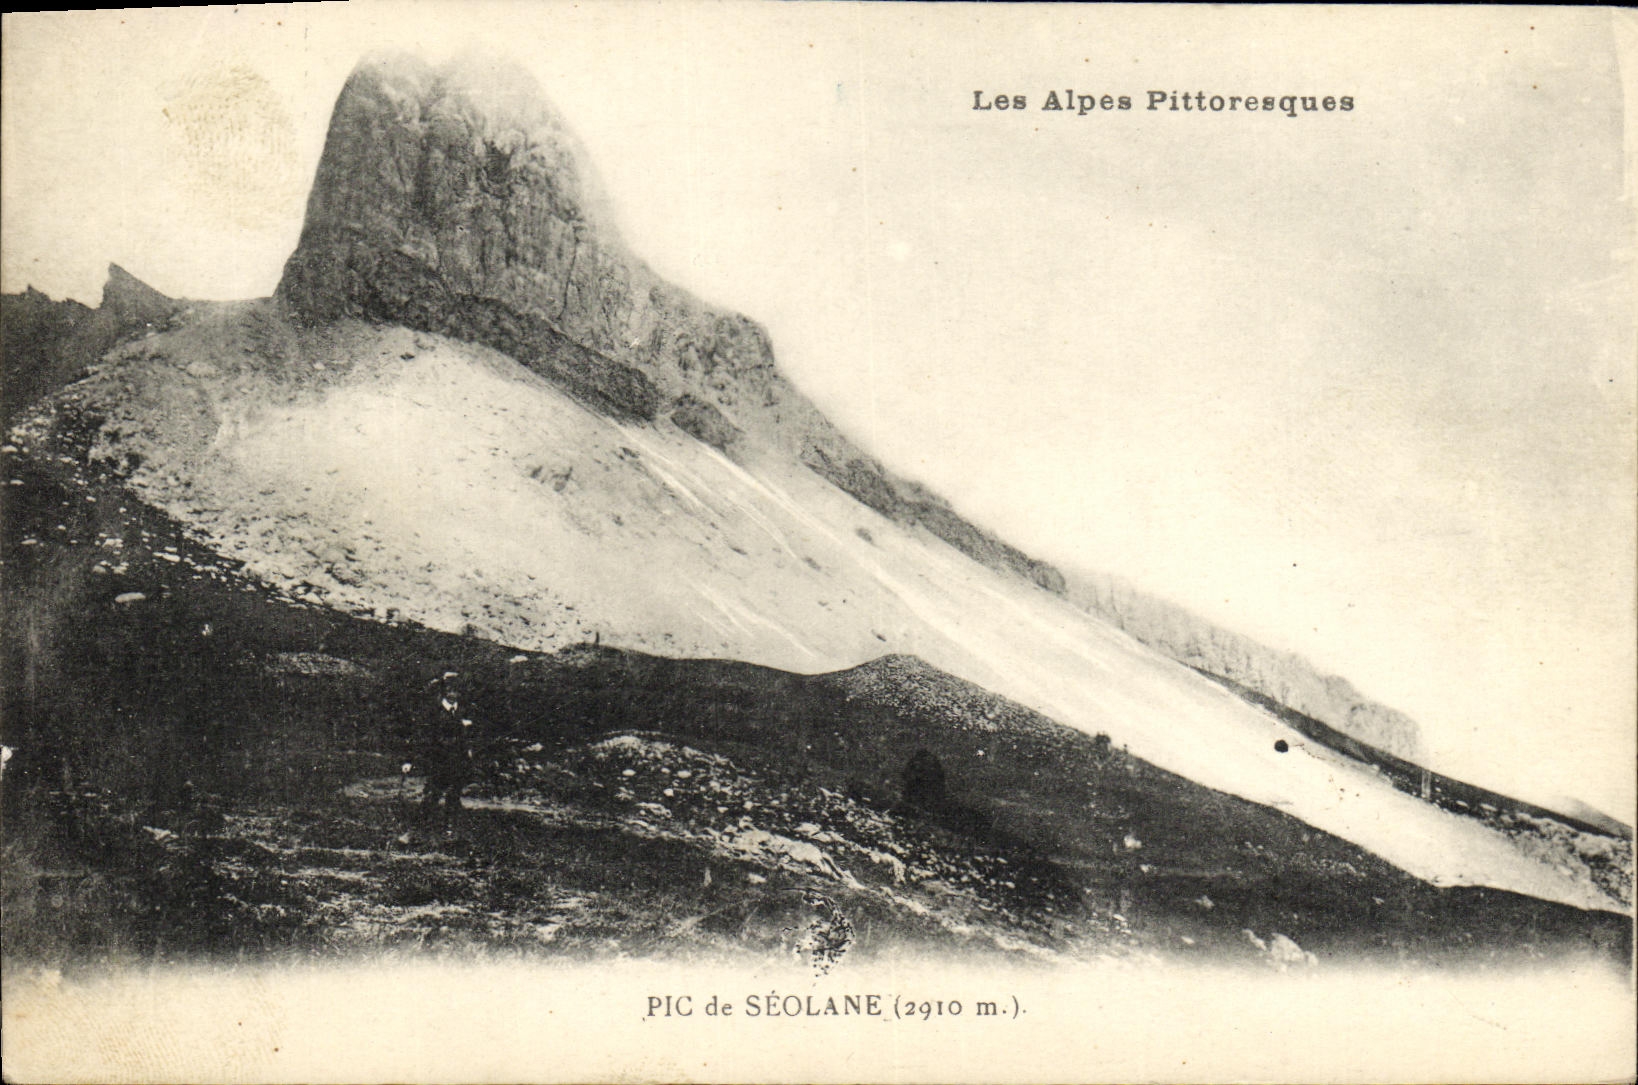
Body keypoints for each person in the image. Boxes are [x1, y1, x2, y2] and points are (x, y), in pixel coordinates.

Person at [415, 671, 475, 825]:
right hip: (439, 757)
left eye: (456, 691)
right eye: (449, 690)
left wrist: (468, 749)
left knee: (454, 792)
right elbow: (430, 735)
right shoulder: (435, 711)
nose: (452, 694)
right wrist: (459, 725)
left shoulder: (464, 710)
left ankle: (450, 825)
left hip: (459, 758)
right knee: (434, 791)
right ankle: (422, 824)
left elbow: (470, 734)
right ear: (443, 692)